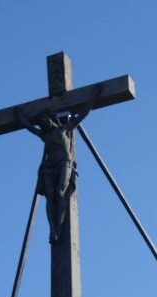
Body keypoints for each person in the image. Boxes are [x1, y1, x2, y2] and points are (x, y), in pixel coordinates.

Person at [15, 86, 101, 243]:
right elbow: (28, 127)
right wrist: (19, 116)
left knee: (60, 192)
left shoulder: (64, 129)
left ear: (51, 119)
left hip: (64, 162)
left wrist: (93, 98)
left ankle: (59, 227)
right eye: (42, 122)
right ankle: (52, 229)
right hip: (50, 165)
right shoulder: (44, 135)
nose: (44, 123)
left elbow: (82, 115)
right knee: (50, 196)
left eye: (45, 120)